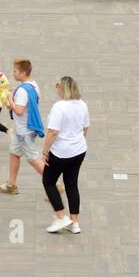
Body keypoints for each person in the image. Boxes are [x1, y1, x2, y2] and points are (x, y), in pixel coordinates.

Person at [41, 76, 89, 234]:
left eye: (58, 86)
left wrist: (45, 151)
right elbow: (85, 128)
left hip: (61, 152)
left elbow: (53, 132)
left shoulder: (59, 107)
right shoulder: (82, 104)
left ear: (62, 88)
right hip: (79, 150)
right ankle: (75, 223)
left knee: (48, 181)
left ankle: (61, 217)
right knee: (72, 184)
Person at [0, 58, 44, 196]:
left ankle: (55, 183)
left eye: (15, 71)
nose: (13, 73)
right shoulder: (33, 85)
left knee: (33, 159)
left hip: (24, 131)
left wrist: (10, 99)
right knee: (14, 153)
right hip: (22, 129)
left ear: (23, 73)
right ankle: (11, 185)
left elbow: (18, 110)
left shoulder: (22, 91)